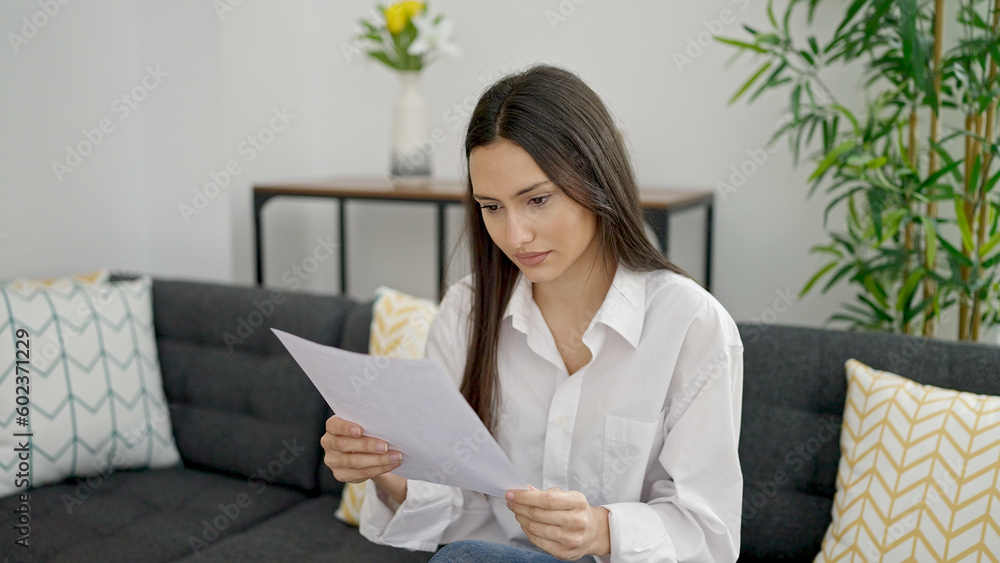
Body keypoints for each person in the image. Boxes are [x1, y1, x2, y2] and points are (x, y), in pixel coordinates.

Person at [320, 64, 744, 562]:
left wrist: (600, 531)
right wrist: (386, 471)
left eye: (537, 200)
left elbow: (710, 536)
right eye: (492, 207)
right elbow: (465, 507)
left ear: (597, 180)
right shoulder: (467, 311)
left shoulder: (692, 325)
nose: (515, 235)